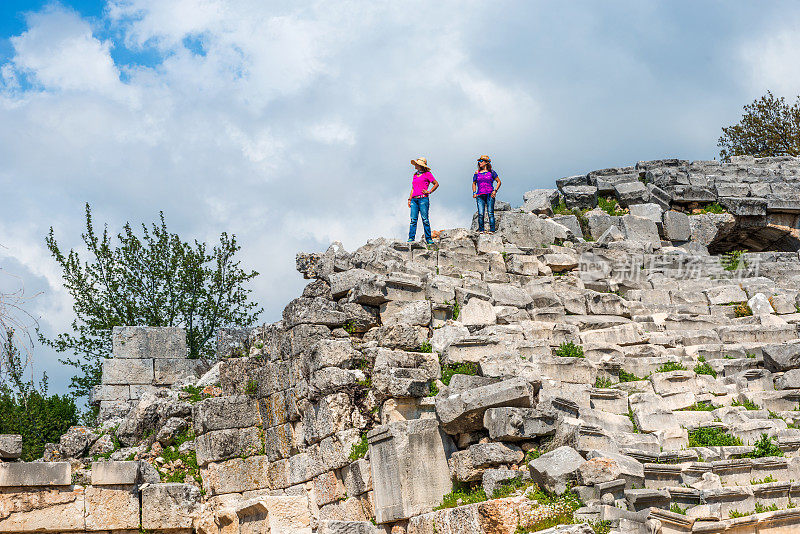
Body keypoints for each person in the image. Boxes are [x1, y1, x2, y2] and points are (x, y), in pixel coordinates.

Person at [408, 157, 439, 245]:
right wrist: (409, 199)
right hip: (414, 200)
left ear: (420, 165)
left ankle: (428, 239)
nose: (415, 165)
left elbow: (436, 184)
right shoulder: (415, 175)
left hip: (423, 199)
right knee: (413, 220)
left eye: (417, 164)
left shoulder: (427, 174)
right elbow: (413, 188)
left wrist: (429, 191)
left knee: (425, 219)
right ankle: (411, 238)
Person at [472, 155, 501, 233]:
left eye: (481, 161)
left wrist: (495, 191)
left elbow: (499, 182)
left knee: (490, 213)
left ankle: (492, 230)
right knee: (481, 214)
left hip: (490, 194)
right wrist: (474, 192)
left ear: (486, 163)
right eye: (479, 161)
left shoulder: (491, 172)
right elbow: (474, 183)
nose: (479, 163)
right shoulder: (477, 172)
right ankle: (481, 230)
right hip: (480, 195)